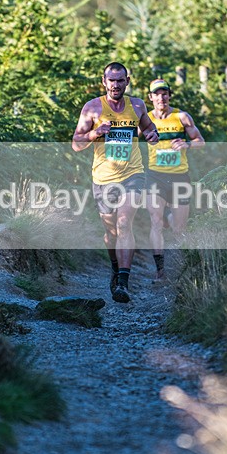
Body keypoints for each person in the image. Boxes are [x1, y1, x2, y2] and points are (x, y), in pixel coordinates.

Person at [72, 62, 159, 303]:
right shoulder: (91, 108)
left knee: (124, 223)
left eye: (120, 80)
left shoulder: (138, 105)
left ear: (127, 82)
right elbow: (76, 144)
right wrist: (95, 132)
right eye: (112, 80)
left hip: (133, 174)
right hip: (103, 178)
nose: (116, 84)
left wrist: (152, 136)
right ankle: (115, 266)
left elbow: (150, 131)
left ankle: (123, 282)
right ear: (104, 82)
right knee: (110, 232)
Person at [144, 78, 205, 280]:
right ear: (150, 97)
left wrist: (187, 144)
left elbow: (200, 142)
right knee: (155, 222)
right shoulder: (145, 119)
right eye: (157, 94)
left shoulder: (182, 117)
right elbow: (131, 141)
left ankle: (181, 268)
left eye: (164, 93)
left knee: (180, 229)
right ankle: (160, 270)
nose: (161, 97)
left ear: (169, 95)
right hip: (155, 176)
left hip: (179, 177)